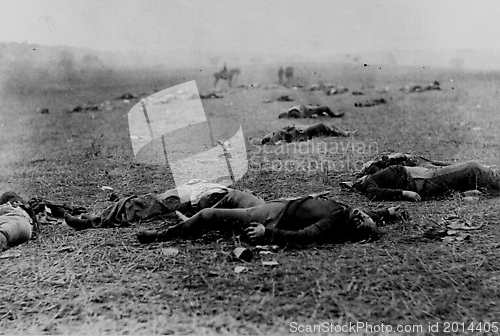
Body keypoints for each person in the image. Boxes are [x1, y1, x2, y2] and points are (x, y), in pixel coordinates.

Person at [137, 195, 406, 246]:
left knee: (209, 215)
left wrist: (268, 234)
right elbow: (367, 215)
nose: (361, 216)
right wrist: (387, 213)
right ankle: (193, 221)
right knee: (233, 196)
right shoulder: (348, 214)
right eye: (364, 217)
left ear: (352, 230)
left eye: (361, 223)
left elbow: (305, 237)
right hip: (277, 204)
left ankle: (163, 236)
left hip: (272, 217)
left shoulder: (336, 221)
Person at [64, 180, 264, 230]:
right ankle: (94, 218)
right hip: (181, 196)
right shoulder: (231, 193)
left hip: (180, 202)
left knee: (137, 206)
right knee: (137, 203)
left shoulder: (227, 198)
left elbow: (209, 210)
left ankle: (92, 222)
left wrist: (187, 208)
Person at [353, 161, 500, 201]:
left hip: (423, 175)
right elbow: (373, 193)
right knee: (472, 169)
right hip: (421, 180)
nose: (360, 178)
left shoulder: (375, 174)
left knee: (470, 170)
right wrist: (404, 193)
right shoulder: (369, 182)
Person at [261, 123, 353, 145]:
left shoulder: (275, 136)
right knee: (321, 126)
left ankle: (344, 133)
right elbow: (286, 136)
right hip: (301, 134)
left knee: (326, 128)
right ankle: (345, 134)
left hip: (301, 133)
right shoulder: (275, 136)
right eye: (266, 136)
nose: (268, 134)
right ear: (267, 138)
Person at [278, 104, 344, 119]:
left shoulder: (291, 111)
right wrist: (310, 115)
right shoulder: (291, 112)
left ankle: (322, 114)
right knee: (325, 108)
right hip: (309, 111)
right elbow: (301, 115)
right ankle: (334, 115)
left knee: (321, 109)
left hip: (309, 109)